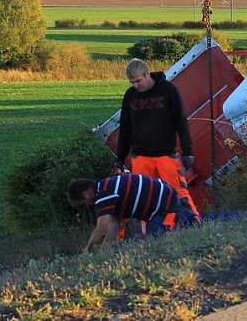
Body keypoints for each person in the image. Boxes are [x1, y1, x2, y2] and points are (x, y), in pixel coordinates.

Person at [116, 58, 199, 225]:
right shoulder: (130, 95)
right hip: (140, 157)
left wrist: (187, 151)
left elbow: (181, 122)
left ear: (147, 74)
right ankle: (153, 232)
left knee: (178, 193)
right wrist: (120, 159)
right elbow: (125, 128)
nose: (135, 86)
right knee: (145, 197)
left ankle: (195, 224)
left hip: (166, 155)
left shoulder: (168, 91)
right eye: (132, 83)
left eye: (138, 81)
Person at [67, 174, 199, 252]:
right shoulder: (108, 186)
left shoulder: (103, 194)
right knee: (154, 239)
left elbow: (101, 230)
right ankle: (188, 218)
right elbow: (114, 225)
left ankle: (188, 220)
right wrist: (105, 252)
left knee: (154, 244)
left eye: (83, 203)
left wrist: (87, 251)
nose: (87, 205)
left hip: (163, 202)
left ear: (86, 194)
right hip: (165, 196)